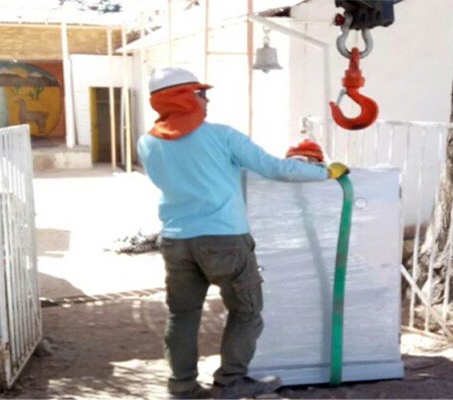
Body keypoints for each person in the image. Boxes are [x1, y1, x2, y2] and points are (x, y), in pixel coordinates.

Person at [137, 67, 350, 399]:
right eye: (200, 93)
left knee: (182, 315)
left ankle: (182, 387)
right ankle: (230, 382)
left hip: (176, 240)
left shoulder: (147, 143)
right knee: (246, 311)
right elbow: (276, 168)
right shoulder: (222, 136)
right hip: (224, 240)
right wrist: (326, 172)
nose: (206, 99)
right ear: (187, 98)